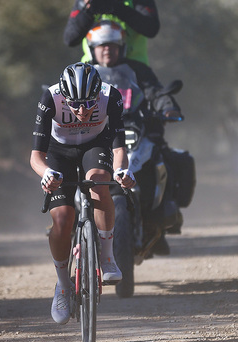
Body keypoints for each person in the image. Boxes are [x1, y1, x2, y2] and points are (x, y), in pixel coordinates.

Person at [30, 62, 135, 325]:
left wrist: (122, 171)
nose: (82, 111)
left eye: (89, 103)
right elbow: (36, 156)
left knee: (99, 182)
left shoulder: (111, 96)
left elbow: (120, 147)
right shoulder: (50, 98)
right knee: (63, 220)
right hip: (59, 152)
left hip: (95, 145)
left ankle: (108, 258)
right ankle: (63, 286)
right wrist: (46, 173)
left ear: (97, 93)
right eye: (74, 104)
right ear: (64, 97)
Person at [86, 20, 182, 255]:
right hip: (94, 135)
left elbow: (155, 91)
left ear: (122, 47)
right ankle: (66, 220)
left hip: (134, 128)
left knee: (166, 160)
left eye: (112, 44)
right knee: (67, 165)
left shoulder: (138, 70)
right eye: (101, 45)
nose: (106, 49)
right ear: (92, 49)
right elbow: (65, 94)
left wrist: (167, 107)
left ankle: (159, 223)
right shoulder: (83, 72)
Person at [63, 0, 160, 65]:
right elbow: (70, 39)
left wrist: (116, 7)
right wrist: (88, 11)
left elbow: (151, 29)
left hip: (134, 72)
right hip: (93, 69)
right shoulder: (86, 1)